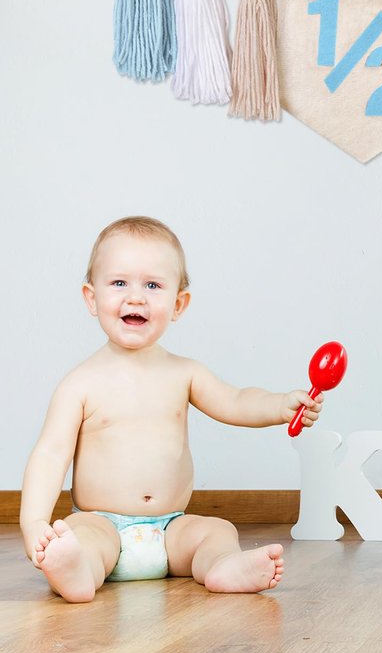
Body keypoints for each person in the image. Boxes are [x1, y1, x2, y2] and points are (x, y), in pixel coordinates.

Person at [19, 216, 323, 603]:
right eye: (119, 283)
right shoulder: (80, 383)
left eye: (152, 285)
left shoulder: (185, 373)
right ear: (91, 298)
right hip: (102, 523)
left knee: (217, 531)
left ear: (178, 304)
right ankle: (76, 571)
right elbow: (50, 455)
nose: (135, 297)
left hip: (169, 529)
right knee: (81, 539)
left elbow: (235, 400)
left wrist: (280, 405)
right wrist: (34, 523)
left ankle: (222, 565)